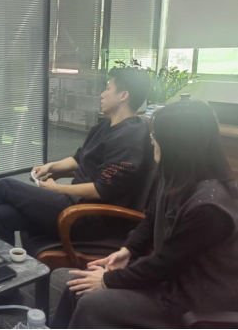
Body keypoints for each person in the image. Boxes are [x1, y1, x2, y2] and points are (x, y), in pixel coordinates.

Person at [52, 101, 238, 329]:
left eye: (156, 134)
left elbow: (166, 263)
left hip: (192, 302)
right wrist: (128, 250)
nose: (151, 139)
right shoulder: (175, 178)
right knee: (77, 285)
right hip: (167, 281)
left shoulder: (210, 208)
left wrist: (107, 280)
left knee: (92, 302)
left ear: (178, 143)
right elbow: (151, 218)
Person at [0, 67, 154, 245]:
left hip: (90, 216)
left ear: (123, 95)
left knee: (4, 186)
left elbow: (102, 189)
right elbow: (79, 158)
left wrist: (57, 189)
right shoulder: (104, 126)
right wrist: (51, 166)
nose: (102, 94)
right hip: (76, 204)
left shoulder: (129, 139)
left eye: (108, 89)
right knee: (1, 215)